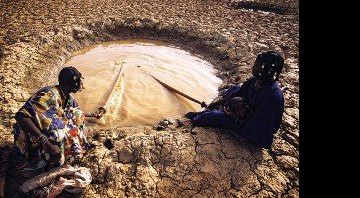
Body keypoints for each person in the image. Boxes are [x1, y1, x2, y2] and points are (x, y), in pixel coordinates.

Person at [4, 66, 104, 197]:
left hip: (41, 132)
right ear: (72, 83)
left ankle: (56, 153)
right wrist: (45, 142)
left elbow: (74, 112)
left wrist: (93, 115)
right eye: (78, 80)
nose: (80, 84)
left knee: (75, 116)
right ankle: (42, 155)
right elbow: (21, 116)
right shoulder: (50, 95)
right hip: (29, 135)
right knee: (60, 132)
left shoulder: (67, 96)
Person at [184, 51, 285, 149]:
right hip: (243, 111)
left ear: (267, 69)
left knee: (210, 116)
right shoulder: (256, 81)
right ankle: (219, 110)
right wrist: (218, 103)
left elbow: (259, 126)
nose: (253, 68)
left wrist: (232, 117)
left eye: (257, 66)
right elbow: (238, 93)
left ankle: (189, 120)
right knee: (234, 88)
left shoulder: (273, 96)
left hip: (251, 129)